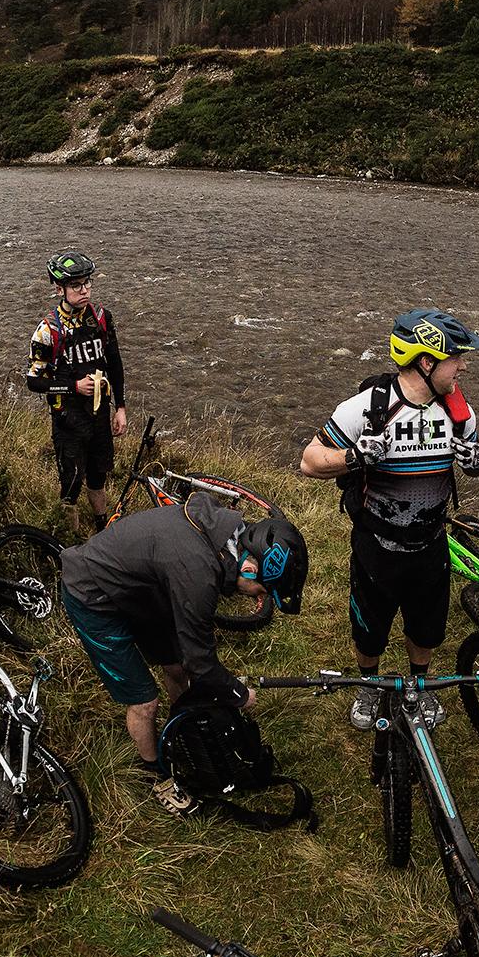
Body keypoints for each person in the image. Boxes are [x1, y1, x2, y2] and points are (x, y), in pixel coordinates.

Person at [299, 309, 479, 730]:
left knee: (427, 629)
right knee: (369, 628)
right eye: (455, 358)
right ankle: (370, 684)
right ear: (426, 362)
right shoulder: (367, 408)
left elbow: (475, 455)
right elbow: (310, 462)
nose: (462, 365)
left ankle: (418, 687)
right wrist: (354, 457)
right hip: (376, 547)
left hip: (431, 545)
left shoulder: (459, 412)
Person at [58, 494, 308, 813]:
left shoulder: (224, 532)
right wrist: (239, 694)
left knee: (176, 668)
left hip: (143, 588)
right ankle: (156, 776)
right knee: (144, 701)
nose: (259, 598)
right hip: (92, 593)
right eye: (262, 590)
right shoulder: (199, 573)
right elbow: (201, 662)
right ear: (248, 567)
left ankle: (187, 730)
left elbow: (189, 663)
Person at [25, 252, 128, 537]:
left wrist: (120, 408)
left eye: (87, 284)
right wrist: (73, 387)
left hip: (99, 418)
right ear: (60, 289)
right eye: (76, 285)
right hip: (68, 422)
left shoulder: (101, 318)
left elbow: (115, 364)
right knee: (70, 486)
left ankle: (102, 528)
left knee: (98, 477)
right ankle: (70, 542)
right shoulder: (47, 331)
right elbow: (34, 382)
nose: (84, 290)